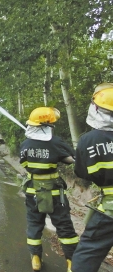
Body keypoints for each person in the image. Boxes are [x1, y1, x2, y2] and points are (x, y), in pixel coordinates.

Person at [19, 107, 78, 272]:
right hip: (55, 194)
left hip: (33, 193)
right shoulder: (56, 142)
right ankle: (71, 263)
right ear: (47, 125)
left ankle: (36, 259)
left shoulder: (25, 144)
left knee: (34, 224)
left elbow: (24, 164)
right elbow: (72, 158)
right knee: (64, 226)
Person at [71, 83, 113, 272]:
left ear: (96, 108)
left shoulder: (88, 141)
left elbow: (82, 175)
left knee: (87, 254)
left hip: (108, 211)